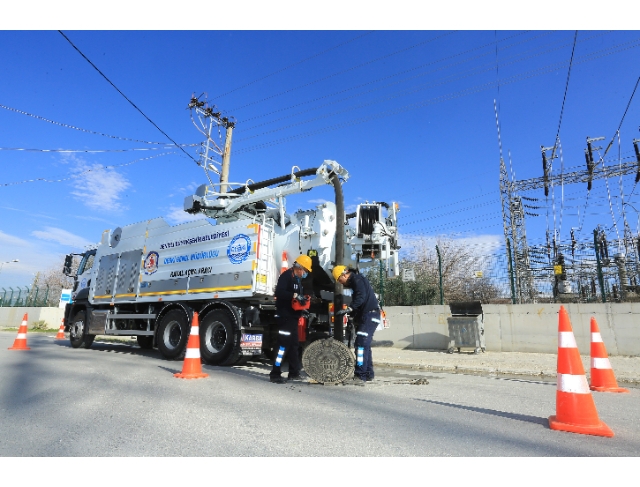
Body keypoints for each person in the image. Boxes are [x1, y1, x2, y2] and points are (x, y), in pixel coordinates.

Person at [333, 265, 381, 386]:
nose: (341, 284)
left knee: (360, 345)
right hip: (370, 316)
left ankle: (360, 375)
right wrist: (353, 315)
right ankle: (368, 373)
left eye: (340, 280)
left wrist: (349, 308)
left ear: (344, 275)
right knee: (365, 345)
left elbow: (361, 297)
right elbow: (361, 301)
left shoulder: (357, 280)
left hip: (369, 316)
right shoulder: (358, 281)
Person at [269, 254, 313, 384]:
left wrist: (303, 305)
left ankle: (294, 373)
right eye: (305, 271)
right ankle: (275, 373)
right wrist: (294, 295)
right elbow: (279, 292)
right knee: (282, 345)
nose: (305, 273)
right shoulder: (286, 276)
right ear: (299, 267)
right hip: (285, 317)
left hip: (293, 317)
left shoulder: (297, 280)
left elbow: (296, 299)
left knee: (294, 345)